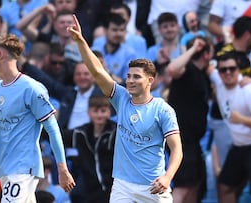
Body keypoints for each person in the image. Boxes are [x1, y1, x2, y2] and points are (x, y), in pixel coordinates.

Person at [68, 15, 183, 203]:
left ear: (150, 81)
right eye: (128, 76)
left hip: (153, 185)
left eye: (136, 77)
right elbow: (97, 72)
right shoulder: (121, 98)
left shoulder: (162, 109)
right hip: (123, 186)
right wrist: (81, 42)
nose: (130, 80)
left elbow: (176, 148)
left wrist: (167, 177)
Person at [0, 34, 75, 202]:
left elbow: (53, 128)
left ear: (0, 55)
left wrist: (62, 169)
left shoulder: (31, 88)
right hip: (4, 169)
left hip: (23, 168)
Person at [208, 52, 251, 203]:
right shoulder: (219, 83)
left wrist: (242, 120)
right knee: (225, 187)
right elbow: (205, 64)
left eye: (232, 68)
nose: (227, 72)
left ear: (238, 69)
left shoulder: (249, 90)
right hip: (239, 146)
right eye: (223, 70)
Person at [165, 37, 213, 203]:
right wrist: (192, 50)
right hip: (180, 139)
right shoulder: (187, 70)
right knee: (183, 187)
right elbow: (172, 69)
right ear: (207, 54)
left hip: (193, 141)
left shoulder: (203, 75)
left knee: (195, 184)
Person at [64, 95, 117, 203]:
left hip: (114, 189)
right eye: (95, 111)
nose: (99, 115)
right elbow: (59, 137)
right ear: (89, 112)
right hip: (90, 191)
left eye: (103, 111)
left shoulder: (116, 132)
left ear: (109, 112)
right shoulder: (81, 133)